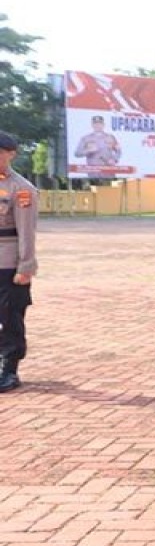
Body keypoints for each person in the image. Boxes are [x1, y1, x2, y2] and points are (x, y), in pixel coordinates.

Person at [0, 132, 37, 393]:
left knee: (10, 315)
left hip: (7, 261)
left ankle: (9, 370)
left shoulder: (21, 188)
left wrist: (26, 267)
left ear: (11, 153)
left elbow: (26, 231)